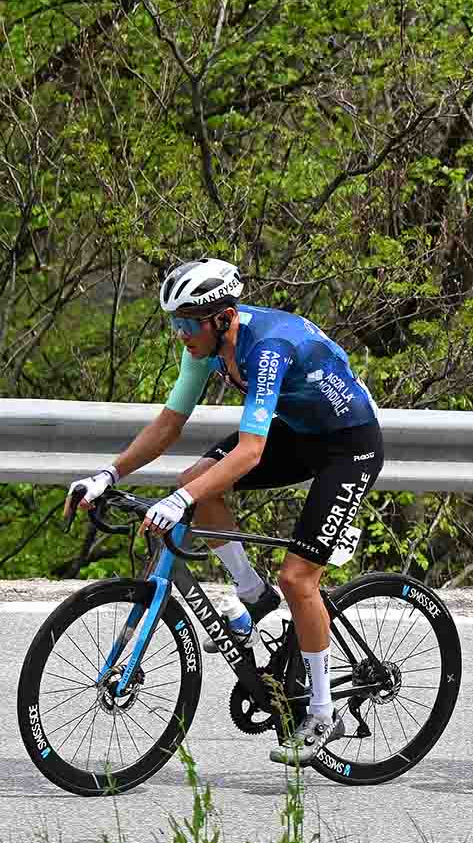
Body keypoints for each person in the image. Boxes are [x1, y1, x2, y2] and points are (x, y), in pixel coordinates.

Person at [64, 258, 383, 765]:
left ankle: (324, 713)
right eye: (176, 323)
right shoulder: (206, 347)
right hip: (300, 435)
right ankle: (253, 595)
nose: (181, 334)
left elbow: (251, 452)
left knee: (300, 580)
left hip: (349, 447)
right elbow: (169, 424)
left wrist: (180, 502)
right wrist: (110, 474)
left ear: (223, 317)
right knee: (195, 482)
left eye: (188, 323)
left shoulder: (267, 350)